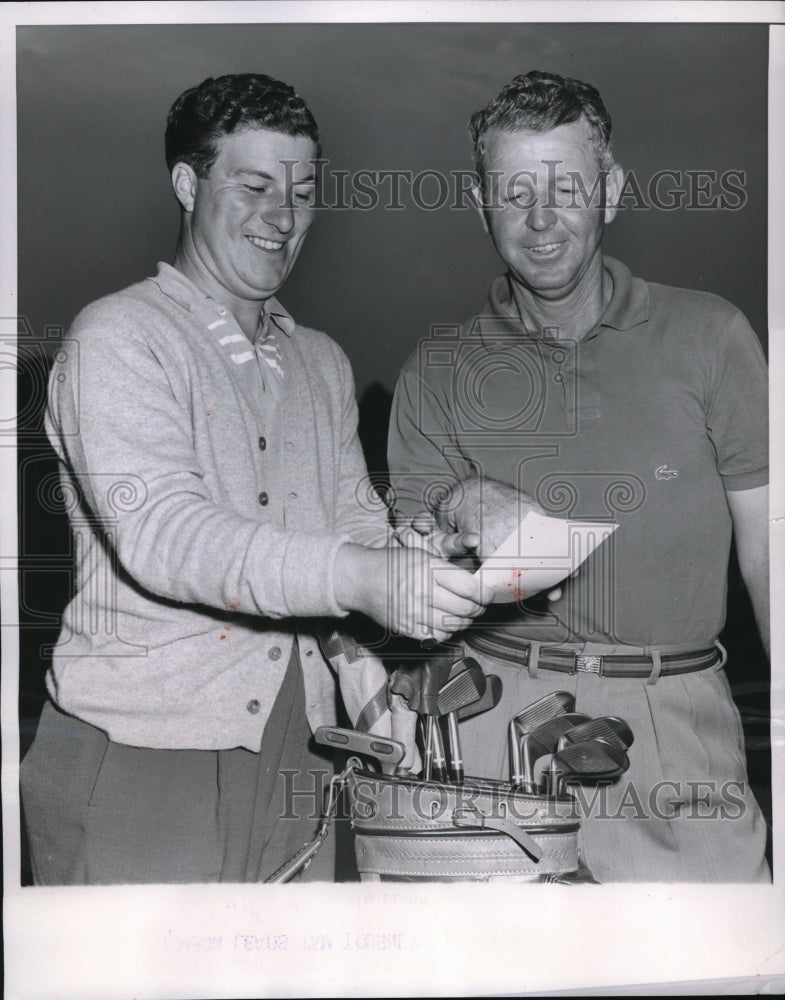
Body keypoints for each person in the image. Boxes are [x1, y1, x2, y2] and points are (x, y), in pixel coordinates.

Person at [21, 73, 490, 885]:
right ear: (186, 183)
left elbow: (350, 530)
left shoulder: (321, 362)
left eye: (303, 192)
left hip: (300, 750)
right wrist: (361, 575)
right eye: (254, 185)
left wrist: (422, 555)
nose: (282, 216)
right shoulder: (118, 337)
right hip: (137, 754)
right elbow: (167, 535)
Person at [387, 70, 770, 882]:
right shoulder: (434, 368)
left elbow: (769, 554)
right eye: (513, 190)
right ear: (480, 203)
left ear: (611, 191)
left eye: (564, 186)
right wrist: (460, 500)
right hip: (492, 728)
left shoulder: (712, 336)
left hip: (676, 731)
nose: (540, 217)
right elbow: (409, 584)